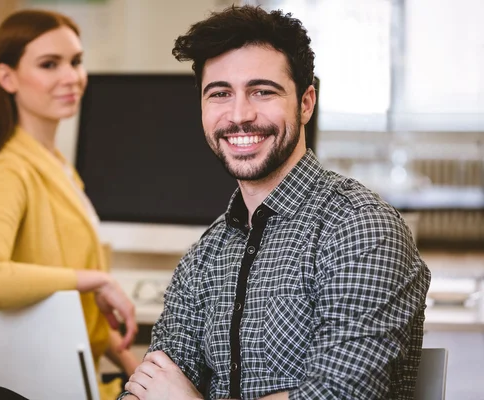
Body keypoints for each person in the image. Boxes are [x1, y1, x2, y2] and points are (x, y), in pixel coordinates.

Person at [122, 6, 430, 400]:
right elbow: (149, 387)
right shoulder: (205, 255)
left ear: (305, 103)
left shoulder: (362, 228)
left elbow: (338, 395)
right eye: (220, 94)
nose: (239, 115)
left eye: (262, 91)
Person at [0, 9, 139, 399]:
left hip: (81, 378)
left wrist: (133, 366)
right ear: (7, 78)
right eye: (49, 64)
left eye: (76, 61)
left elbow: (62, 306)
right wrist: (97, 279)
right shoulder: (8, 170)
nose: (71, 77)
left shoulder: (57, 167)